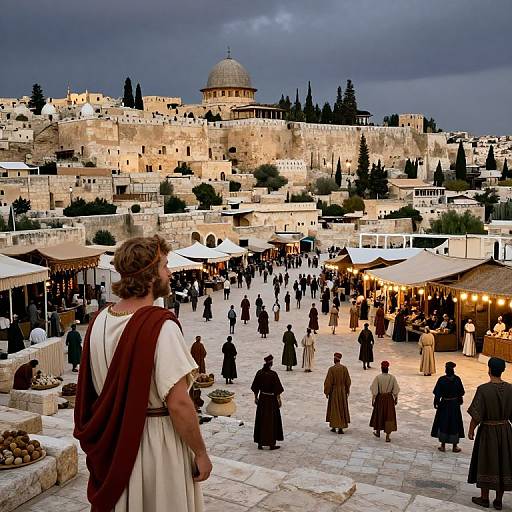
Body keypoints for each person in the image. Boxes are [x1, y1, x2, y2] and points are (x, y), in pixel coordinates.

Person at [74, 235, 211, 512]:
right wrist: (201, 452)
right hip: (156, 446)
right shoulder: (160, 326)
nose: (169, 273)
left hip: (114, 447)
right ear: (150, 277)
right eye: (164, 266)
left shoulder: (99, 321)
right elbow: (179, 402)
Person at [468, 357, 512, 510]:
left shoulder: (483, 389)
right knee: (503, 462)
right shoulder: (510, 389)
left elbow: (476, 414)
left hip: (487, 431)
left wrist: (471, 429)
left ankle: (484, 498)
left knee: (486, 461)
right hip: (506, 431)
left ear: (489, 369)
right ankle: (498, 500)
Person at [251, 355, 284, 450]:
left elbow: (255, 387)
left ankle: (260, 443)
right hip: (271, 401)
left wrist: (255, 397)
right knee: (271, 421)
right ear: (271, 364)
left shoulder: (259, 373)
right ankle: (271, 443)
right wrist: (279, 399)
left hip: (262, 399)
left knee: (261, 420)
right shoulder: (273, 374)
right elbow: (277, 389)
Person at [431, 362, 465, 453]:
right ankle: (455, 446)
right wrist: (459, 400)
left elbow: (437, 393)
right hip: (454, 405)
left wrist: (436, 402)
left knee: (443, 422)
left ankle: (443, 445)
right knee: (454, 423)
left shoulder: (441, 380)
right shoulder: (457, 379)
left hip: (444, 404)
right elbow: (461, 392)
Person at [370, 361, 400, 442]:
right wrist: (396, 398)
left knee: (379, 414)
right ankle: (387, 436)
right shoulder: (392, 378)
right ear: (388, 369)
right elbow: (396, 390)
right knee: (388, 416)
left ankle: (378, 432)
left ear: (381, 368)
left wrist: (373, 399)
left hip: (380, 399)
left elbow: (374, 391)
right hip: (389, 400)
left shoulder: (378, 378)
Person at [324, 352, 351, 434]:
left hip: (334, 391)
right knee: (342, 408)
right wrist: (346, 390)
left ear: (335, 359)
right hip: (342, 391)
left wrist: (327, 392)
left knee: (334, 408)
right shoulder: (344, 368)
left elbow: (328, 382)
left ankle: (334, 426)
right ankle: (341, 427)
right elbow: (348, 381)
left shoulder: (331, 369)